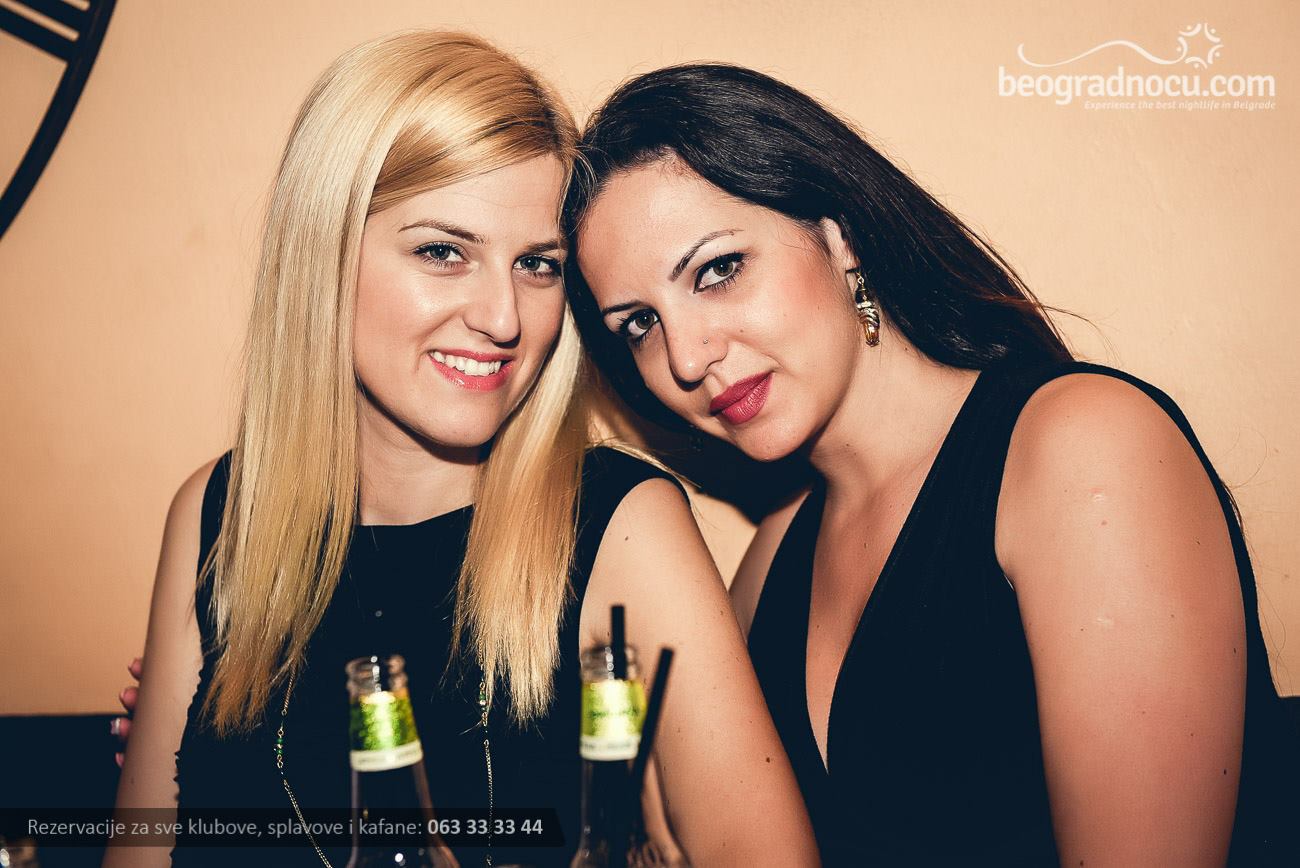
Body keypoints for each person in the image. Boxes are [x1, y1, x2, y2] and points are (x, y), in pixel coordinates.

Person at [561, 62, 1300, 866]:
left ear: (840, 236)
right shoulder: (771, 559)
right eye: (639, 324)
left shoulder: (1083, 448)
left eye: (717, 270)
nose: (685, 356)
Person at [108, 36, 817, 868]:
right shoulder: (218, 513)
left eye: (537, 265)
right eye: (444, 252)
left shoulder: (620, 526)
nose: (504, 317)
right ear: (323, 253)